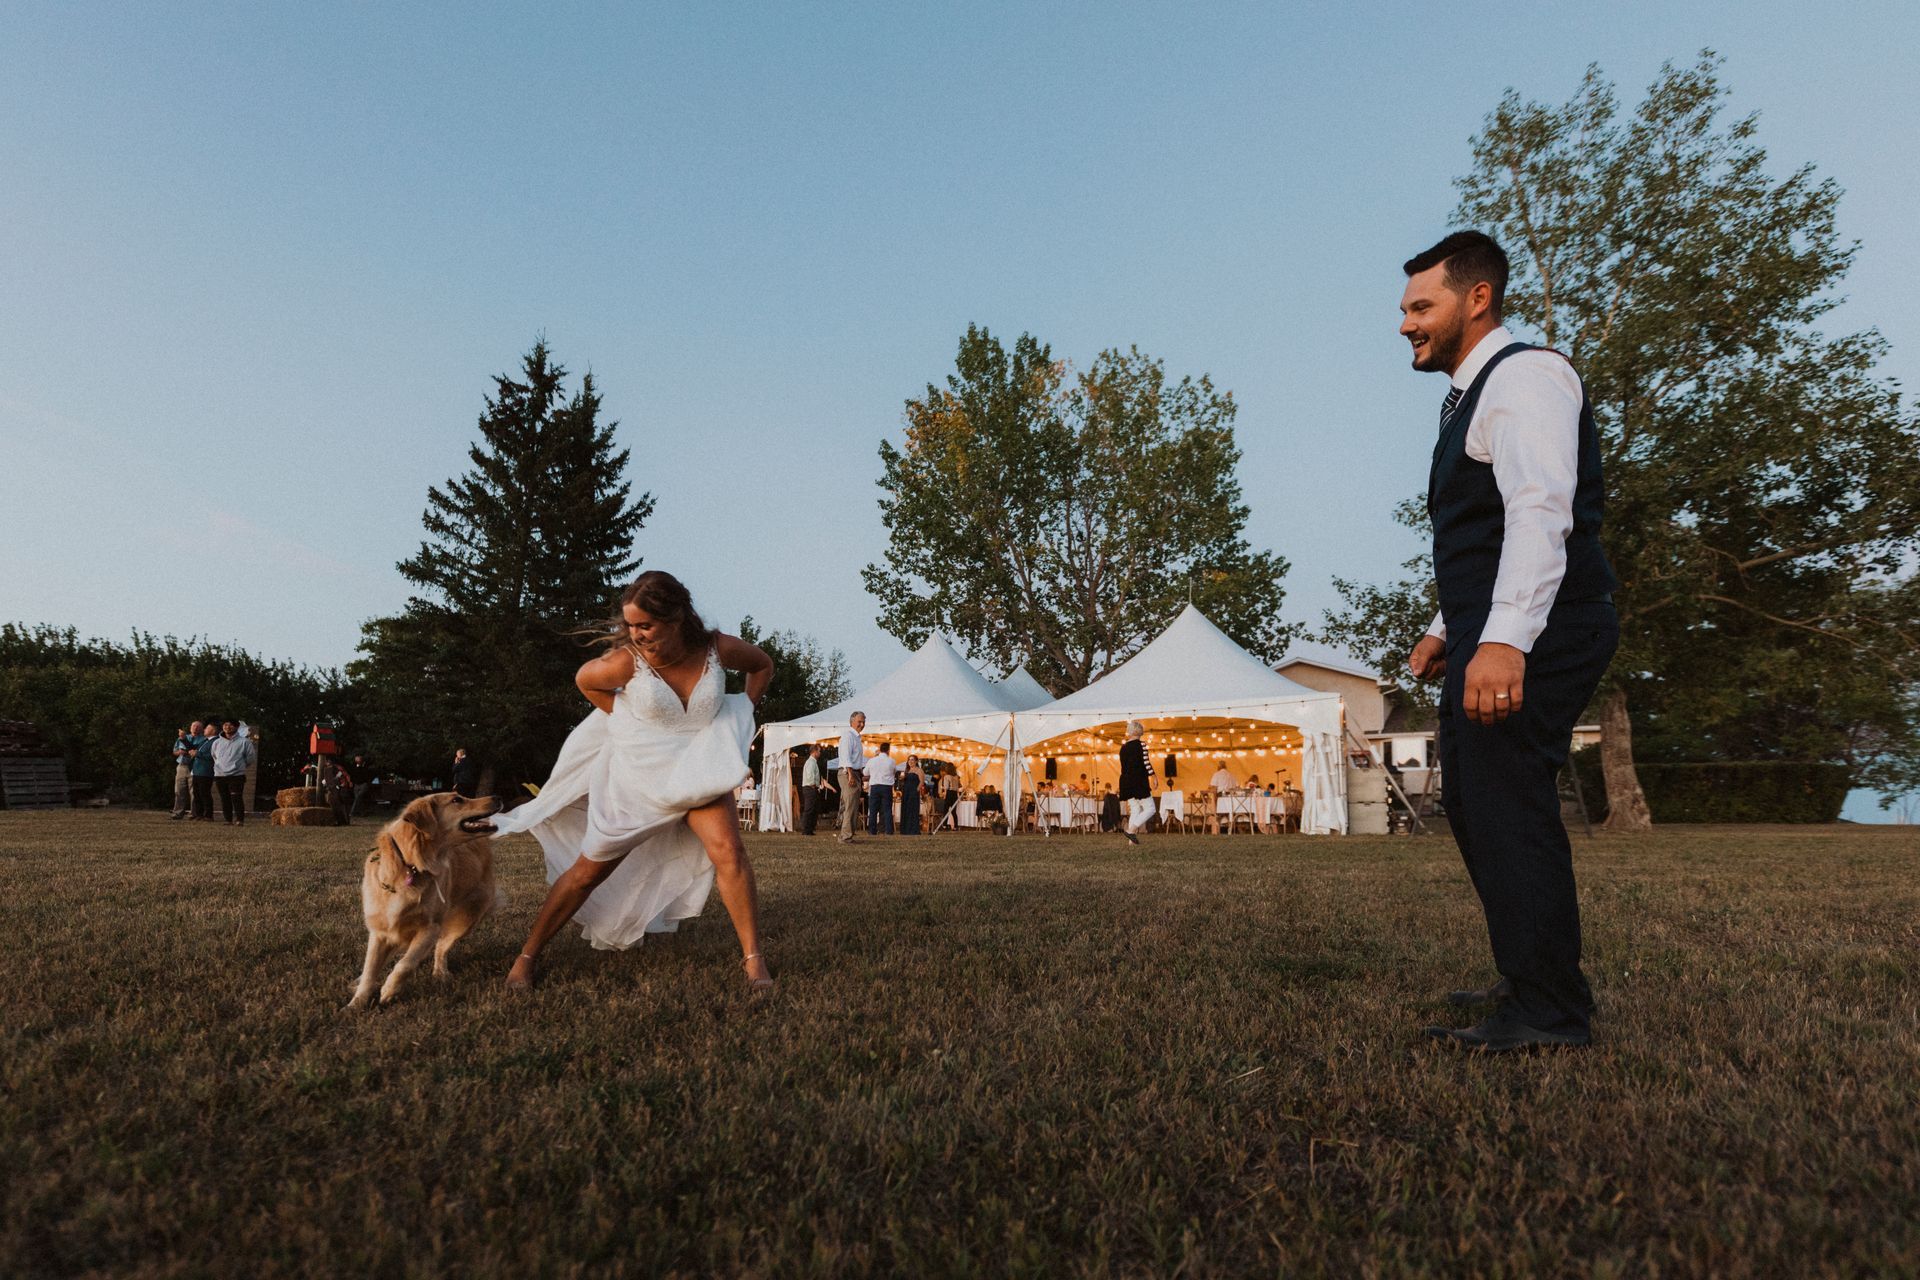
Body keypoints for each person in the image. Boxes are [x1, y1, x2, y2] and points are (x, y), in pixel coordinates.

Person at [1399, 230, 1620, 1053]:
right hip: (1491, 629)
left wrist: (1507, 644)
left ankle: (1549, 1013)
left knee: (1506, 801)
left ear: (1477, 298)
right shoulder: (1466, 398)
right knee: (1475, 802)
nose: (1406, 324)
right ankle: (1530, 976)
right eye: (1406, 309)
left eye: (1422, 306)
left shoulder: (1525, 375)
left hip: (1545, 625)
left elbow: (1539, 511)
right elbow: (1486, 531)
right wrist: (1444, 630)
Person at [494, 570, 775, 992]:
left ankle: (754, 961)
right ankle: (527, 957)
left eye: (645, 625)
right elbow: (585, 680)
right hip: (640, 773)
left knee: (730, 853)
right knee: (589, 870)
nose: (635, 634)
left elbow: (762, 665)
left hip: (699, 766)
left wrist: (740, 712)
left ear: (677, 617)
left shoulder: (716, 648)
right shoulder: (627, 661)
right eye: (630, 625)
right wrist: (628, 720)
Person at [209, 718, 256, 825]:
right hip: (220, 775)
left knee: (236, 797)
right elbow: (214, 756)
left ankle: (239, 820)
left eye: (230, 725)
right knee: (225, 799)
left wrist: (240, 766)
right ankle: (228, 820)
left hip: (237, 775)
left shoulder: (244, 742)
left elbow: (250, 758)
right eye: (225, 725)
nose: (227, 727)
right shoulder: (216, 742)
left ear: (236, 727)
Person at [1117, 720, 1156, 846]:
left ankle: (1131, 842)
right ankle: (1131, 830)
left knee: (1135, 809)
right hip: (1138, 781)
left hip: (1125, 781)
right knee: (1150, 808)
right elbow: (1146, 763)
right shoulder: (1141, 745)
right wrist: (1154, 776)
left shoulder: (1123, 748)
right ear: (1139, 731)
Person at [837, 711, 866, 842]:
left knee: (853, 805)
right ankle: (845, 836)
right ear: (852, 722)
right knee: (850, 805)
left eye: (863, 721)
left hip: (855, 773)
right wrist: (850, 774)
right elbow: (845, 756)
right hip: (847, 773)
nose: (862, 724)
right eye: (859, 721)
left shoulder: (857, 738)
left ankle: (849, 834)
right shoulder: (848, 736)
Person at [170, 721, 201, 819]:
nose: (195, 728)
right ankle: (178, 813)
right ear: (190, 727)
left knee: (193, 792)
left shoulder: (203, 739)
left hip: (194, 766)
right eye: (193, 726)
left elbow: (193, 749)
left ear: (201, 729)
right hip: (181, 766)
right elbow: (174, 751)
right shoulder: (182, 738)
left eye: (198, 726)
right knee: (179, 790)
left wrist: (187, 751)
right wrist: (179, 752)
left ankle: (193, 814)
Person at [187, 718, 217, 820]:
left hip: (206, 771)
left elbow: (213, 756)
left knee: (205, 793)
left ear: (213, 730)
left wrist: (197, 754)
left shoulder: (215, 741)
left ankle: (208, 815)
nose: (204, 729)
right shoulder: (205, 741)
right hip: (197, 771)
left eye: (207, 728)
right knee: (197, 794)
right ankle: (199, 814)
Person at [865, 742, 896, 836]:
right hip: (886, 786)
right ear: (888, 750)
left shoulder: (872, 760)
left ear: (880, 749)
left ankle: (872, 830)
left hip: (875, 786)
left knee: (873, 810)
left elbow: (865, 772)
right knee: (887, 810)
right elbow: (894, 772)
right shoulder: (891, 761)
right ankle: (888, 830)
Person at [799, 744, 829, 836]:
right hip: (810, 788)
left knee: (813, 809)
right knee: (809, 809)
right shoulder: (811, 763)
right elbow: (810, 776)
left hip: (812, 788)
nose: (820, 753)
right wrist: (814, 786)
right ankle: (806, 829)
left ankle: (810, 829)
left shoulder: (813, 762)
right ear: (815, 752)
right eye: (819, 751)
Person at [897, 754, 922, 835]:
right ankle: (905, 829)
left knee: (912, 810)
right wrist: (902, 779)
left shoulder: (919, 770)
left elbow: (921, 782)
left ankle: (913, 829)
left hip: (913, 793)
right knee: (906, 810)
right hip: (906, 792)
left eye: (912, 760)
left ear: (916, 761)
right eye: (909, 760)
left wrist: (916, 790)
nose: (910, 761)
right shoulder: (907, 771)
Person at [349, 753, 379, 819]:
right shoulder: (354, 767)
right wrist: (351, 782)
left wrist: (368, 782)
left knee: (358, 797)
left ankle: (352, 812)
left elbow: (370, 774)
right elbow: (352, 775)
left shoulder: (365, 767)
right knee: (359, 799)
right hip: (356, 784)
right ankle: (362, 813)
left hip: (363, 784)